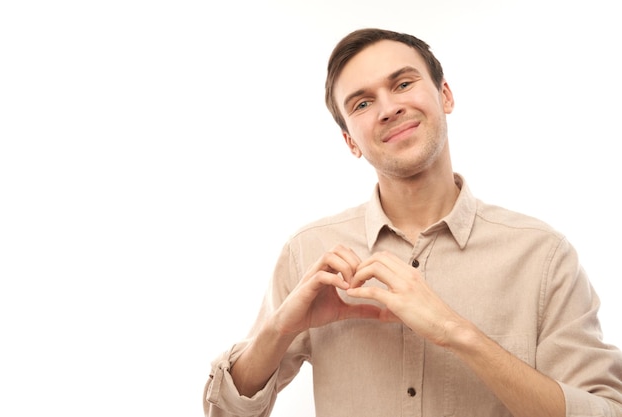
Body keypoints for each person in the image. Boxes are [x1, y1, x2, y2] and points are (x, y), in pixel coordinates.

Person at [203, 28, 622, 417]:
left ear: (445, 96)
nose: (389, 108)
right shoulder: (308, 253)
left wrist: (455, 331)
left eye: (403, 84)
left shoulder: (542, 256)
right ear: (350, 141)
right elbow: (223, 411)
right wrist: (280, 329)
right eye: (362, 103)